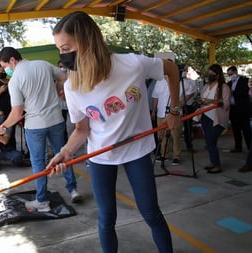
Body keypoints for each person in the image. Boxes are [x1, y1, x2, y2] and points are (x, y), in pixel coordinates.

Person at [48, 11, 181, 253]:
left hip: (137, 148)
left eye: (66, 47)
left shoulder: (133, 64)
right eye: (60, 49)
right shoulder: (72, 86)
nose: (63, 56)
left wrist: (174, 109)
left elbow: (171, 69)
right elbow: (82, 129)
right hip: (101, 154)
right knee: (106, 218)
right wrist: (66, 151)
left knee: (150, 211)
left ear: (86, 41)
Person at [0, 46, 82, 212]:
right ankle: (73, 190)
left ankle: (42, 201)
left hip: (35, 126)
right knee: (64, 154)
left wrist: (3, 126)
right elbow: (65, 77)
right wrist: (57, 90)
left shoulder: (15, 80)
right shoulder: (43, 64)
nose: (6, 71)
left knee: (38, 162)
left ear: (12, 60)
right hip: (56, 119)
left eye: (5, 66)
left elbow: (17, 112)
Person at [200, 64, 230, 174]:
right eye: (208, 73)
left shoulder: (224, 87)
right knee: (209, 141)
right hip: (205, 116)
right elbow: (202, 99)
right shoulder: (205, 86)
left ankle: (217, 165)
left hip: (216, 118)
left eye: (211, 73)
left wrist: (211, 102)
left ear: (217, 75)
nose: (209, 75)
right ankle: (213, 162)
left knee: (211, 141)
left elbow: (226, 104)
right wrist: (202, 102)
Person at [152, 75, 182, 165]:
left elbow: (177, 95)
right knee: (161, 135)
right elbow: (155, 97)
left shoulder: (177, 82)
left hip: (173, 113)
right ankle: (164, 155)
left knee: (175, 135)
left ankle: (176, 156)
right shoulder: (159, 81)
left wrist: (169, 81)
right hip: (161, 112)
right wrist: (153, 111)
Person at [227, 66, 252, 153]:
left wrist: (233, 92)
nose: (230, 76)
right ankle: (238, 147)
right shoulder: (229, 83)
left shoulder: (245, 81)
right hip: (233, 109)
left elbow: (246, 92)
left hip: (243, 109)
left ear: (235, 72)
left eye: (231, 74)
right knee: (235, 129)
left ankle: (250, 147)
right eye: (228, 75)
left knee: (246, 129)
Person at [180, 66, 198, 151]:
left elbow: (193, 92)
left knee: (188, 126)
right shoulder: (175, 81)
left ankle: (189, 144)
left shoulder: (190, 81)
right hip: (177, 106)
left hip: (188, 105)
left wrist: (184, 101)